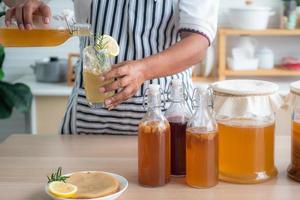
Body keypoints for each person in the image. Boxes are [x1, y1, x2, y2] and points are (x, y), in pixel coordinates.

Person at [4, 0, 219, 135]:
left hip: (168, 122)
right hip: (89, 121)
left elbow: (197, 45)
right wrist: (25, 3)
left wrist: (144, 70)